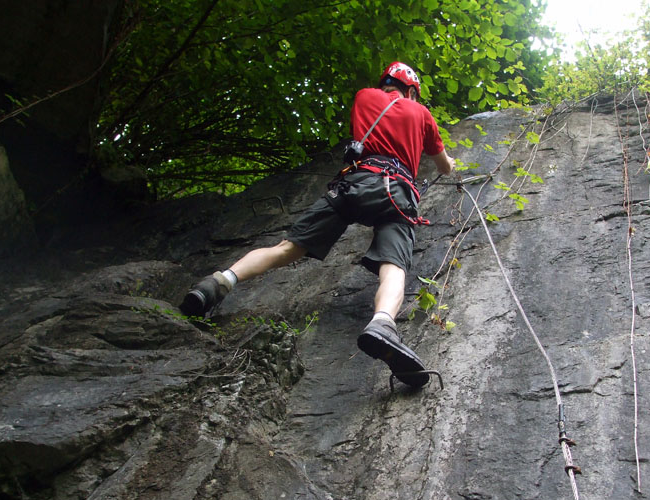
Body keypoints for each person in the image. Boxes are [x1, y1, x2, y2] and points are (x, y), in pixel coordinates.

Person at [180, 61, 456, 387]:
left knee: (286, 248)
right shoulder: (420, 113)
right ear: (411, 90)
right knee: (393, 266)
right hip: (394, 191)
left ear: (384, 83)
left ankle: (217, 283)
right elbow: (443, 165)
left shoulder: (365, 97)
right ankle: (382, 323)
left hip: (353, 184)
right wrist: (450, 162)